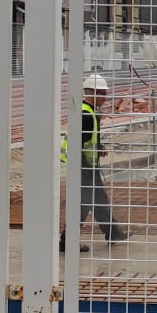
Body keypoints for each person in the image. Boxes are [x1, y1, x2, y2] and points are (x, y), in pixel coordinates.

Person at [60, 73, 128, 251]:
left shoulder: (90, 111)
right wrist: (86, 166)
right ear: (89, 92)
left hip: (85, 165)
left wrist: (98, 147)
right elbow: (77, 143)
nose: (104, 98)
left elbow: (87, 139)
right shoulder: (86, 115)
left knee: (95, 201)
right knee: (88, 203)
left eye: (105, 94)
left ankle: (112, 232)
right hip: (83, 166)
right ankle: (68, 242)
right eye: (101, 93)